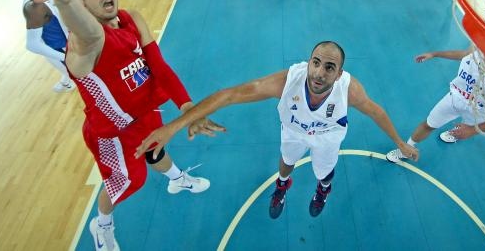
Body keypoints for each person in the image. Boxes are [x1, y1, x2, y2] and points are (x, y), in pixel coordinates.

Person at [0, 0, 221, 251]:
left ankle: (176, 178)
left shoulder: (131, 18)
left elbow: (159, 67)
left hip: (144, 113)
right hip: (113, 132)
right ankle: (102, 224)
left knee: (156, 148)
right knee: (127, 181)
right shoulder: (85, 42)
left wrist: (187, 106)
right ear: (81, 2)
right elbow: (89, 34)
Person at [135, 41, 419, 219]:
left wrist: (400, 143)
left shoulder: (350, 90)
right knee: (286, 162)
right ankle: (282, 185)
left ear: (340, 73)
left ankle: (322, 190)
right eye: (316, 62)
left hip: (327, 137)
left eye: (329, 67)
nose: (319, 72)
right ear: (309, 61)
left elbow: (377, 112)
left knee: (324, 172)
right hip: (293, 131)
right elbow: (230, 94)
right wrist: (174, 126)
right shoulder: (288, 81)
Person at [385, 25, 485, 163]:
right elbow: (463, 54)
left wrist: (472, 130)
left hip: (479, 110)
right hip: (455, 97)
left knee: (464, 129)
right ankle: (407, 148)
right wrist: (434, 54)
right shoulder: (477, 49)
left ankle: (456, 133)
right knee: (428, 124)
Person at [13, 0, 75, 93]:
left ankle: (66, 80)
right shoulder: (35, 6)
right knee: (87, 80)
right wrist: (64, 57)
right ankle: (68, 80)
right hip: (61, 51)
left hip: (73, 40)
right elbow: (32, 44)